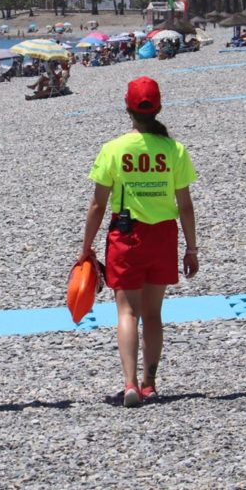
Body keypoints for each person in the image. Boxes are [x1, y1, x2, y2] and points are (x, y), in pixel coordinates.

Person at [78, 77, 199, 407]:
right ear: (158, 108)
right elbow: (185, 205)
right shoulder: (174, 150)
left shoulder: (114, 149)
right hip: (163, 235)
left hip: (126, 235)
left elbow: (98, 205)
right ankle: (150, 382)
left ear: (127, 108)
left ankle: (130, 383)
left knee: (127, 312)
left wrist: (85, 246)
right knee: (153, 314)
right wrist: (191, 248)